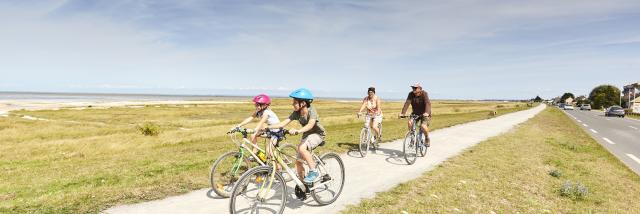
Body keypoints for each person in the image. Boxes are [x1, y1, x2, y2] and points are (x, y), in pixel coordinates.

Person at [268, 88, 326, 184]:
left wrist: (298, 131)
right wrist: (268, 127)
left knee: (302, 148)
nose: (292, 104)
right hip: (307, 136)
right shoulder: (296, 113)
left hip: (318, 134)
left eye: (295, 102)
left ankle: (314, 171)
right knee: (298, 162)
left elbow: (310, 125)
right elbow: (283, 123)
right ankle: (305, 185)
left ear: (303, 103)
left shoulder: (311, 110)